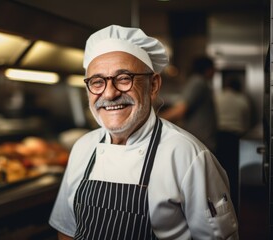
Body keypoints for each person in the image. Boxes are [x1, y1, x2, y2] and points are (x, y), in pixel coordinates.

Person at [49, 25, 238, 239]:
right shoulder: (82, 147)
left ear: (153, 85)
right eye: (97, 82)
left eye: (123, 78)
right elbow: (66, 231)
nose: (109, 93)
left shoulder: (188, 155)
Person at [159, 56, 217, 153]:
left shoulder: (197, 82)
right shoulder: (199, 82)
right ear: (208, 69)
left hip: (201, 142)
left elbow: (179, 110)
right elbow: (181, 109)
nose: (214, 71)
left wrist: (156, 119)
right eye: (213, 68)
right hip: (202, 142)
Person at [215, 77, 252, 214]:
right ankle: (234, 203)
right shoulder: (243, 100)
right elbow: (247, 121)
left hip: (220, 136)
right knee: (234, 171)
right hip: (236, 138)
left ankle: (221, 202)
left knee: (220, 169)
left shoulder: (218, 97)